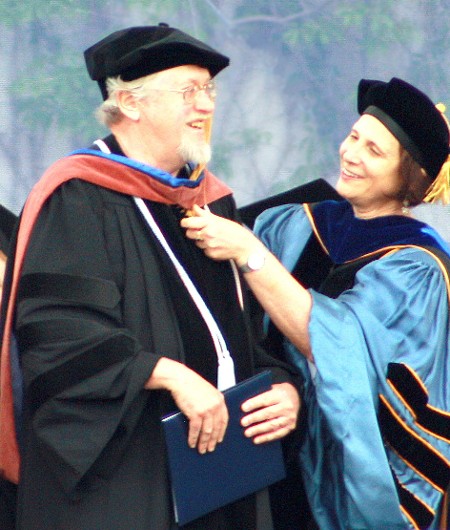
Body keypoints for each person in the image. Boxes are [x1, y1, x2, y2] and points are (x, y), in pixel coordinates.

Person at [0, 24, 301, 529]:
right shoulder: (77, 198)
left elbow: (239, 337)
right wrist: (171, 375)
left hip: (223, 480)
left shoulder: (211, 202)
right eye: (188, 91)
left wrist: (283, 387)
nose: (206, 106)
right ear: (129, 103)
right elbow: (58, 338)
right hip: (127, 483)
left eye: (209, 91)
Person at [182, 77, 450, 529]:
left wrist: (250, 254)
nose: (351, 153)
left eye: (374, 151)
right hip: (261, 453)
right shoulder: (292, 223)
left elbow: (340, 346)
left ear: (409, 178)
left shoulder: (418, 268)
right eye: (354, 136)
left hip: (339, 483)